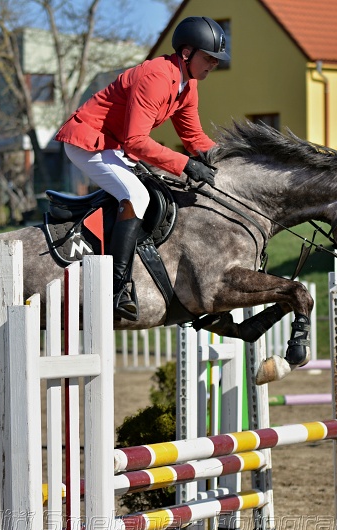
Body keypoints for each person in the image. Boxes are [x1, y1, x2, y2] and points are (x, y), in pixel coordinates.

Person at [55, 16, 229, 321]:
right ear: (186, 53)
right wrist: (186, 165)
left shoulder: (189, 86)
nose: (213, 65)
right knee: (137, 195)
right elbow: (136, 141)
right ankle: (116, 288)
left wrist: (224, 161)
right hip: (88, 142)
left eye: (216, 60)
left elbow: (193, 137)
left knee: (161, 189)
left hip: (113, 145)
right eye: (208, 58)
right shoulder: (157, 77)